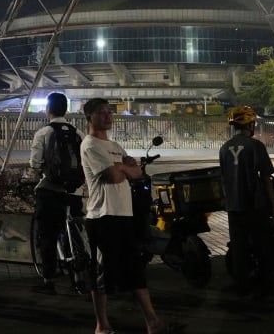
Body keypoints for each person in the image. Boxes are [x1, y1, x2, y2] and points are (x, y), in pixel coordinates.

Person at [80, 98, 174, 334]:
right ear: (89, 117)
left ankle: (153, 322)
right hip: (102, 216)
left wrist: (123, 168)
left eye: (109, 112)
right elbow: (113, 176)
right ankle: (102, 326)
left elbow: (137, 173)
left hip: (123, 214)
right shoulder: (90, 145)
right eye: (101, 113)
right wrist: (123, 168)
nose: (108, 117)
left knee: (135, 269)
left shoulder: (114, 146)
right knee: (102, 272)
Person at [29, 92, 84, 294]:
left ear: (47, 110)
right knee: (76, 232)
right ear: (66, 110)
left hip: (51, 190)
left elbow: (34, 164)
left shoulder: (43, 133)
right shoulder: (78, 133)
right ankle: (80, 275)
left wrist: (34, 176)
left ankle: (48, 280)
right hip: (75, 191)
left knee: (47, 235)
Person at [219, 105, 274, 299]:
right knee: (262, 247)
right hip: (255, 205)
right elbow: (267, 178)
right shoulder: (256, 146)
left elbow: (224, 179)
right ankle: (266, 287)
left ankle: (241, 286)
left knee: (239, 248)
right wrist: (272, 206)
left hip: (234, 207)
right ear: (250, 124)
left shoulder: (224, 148)